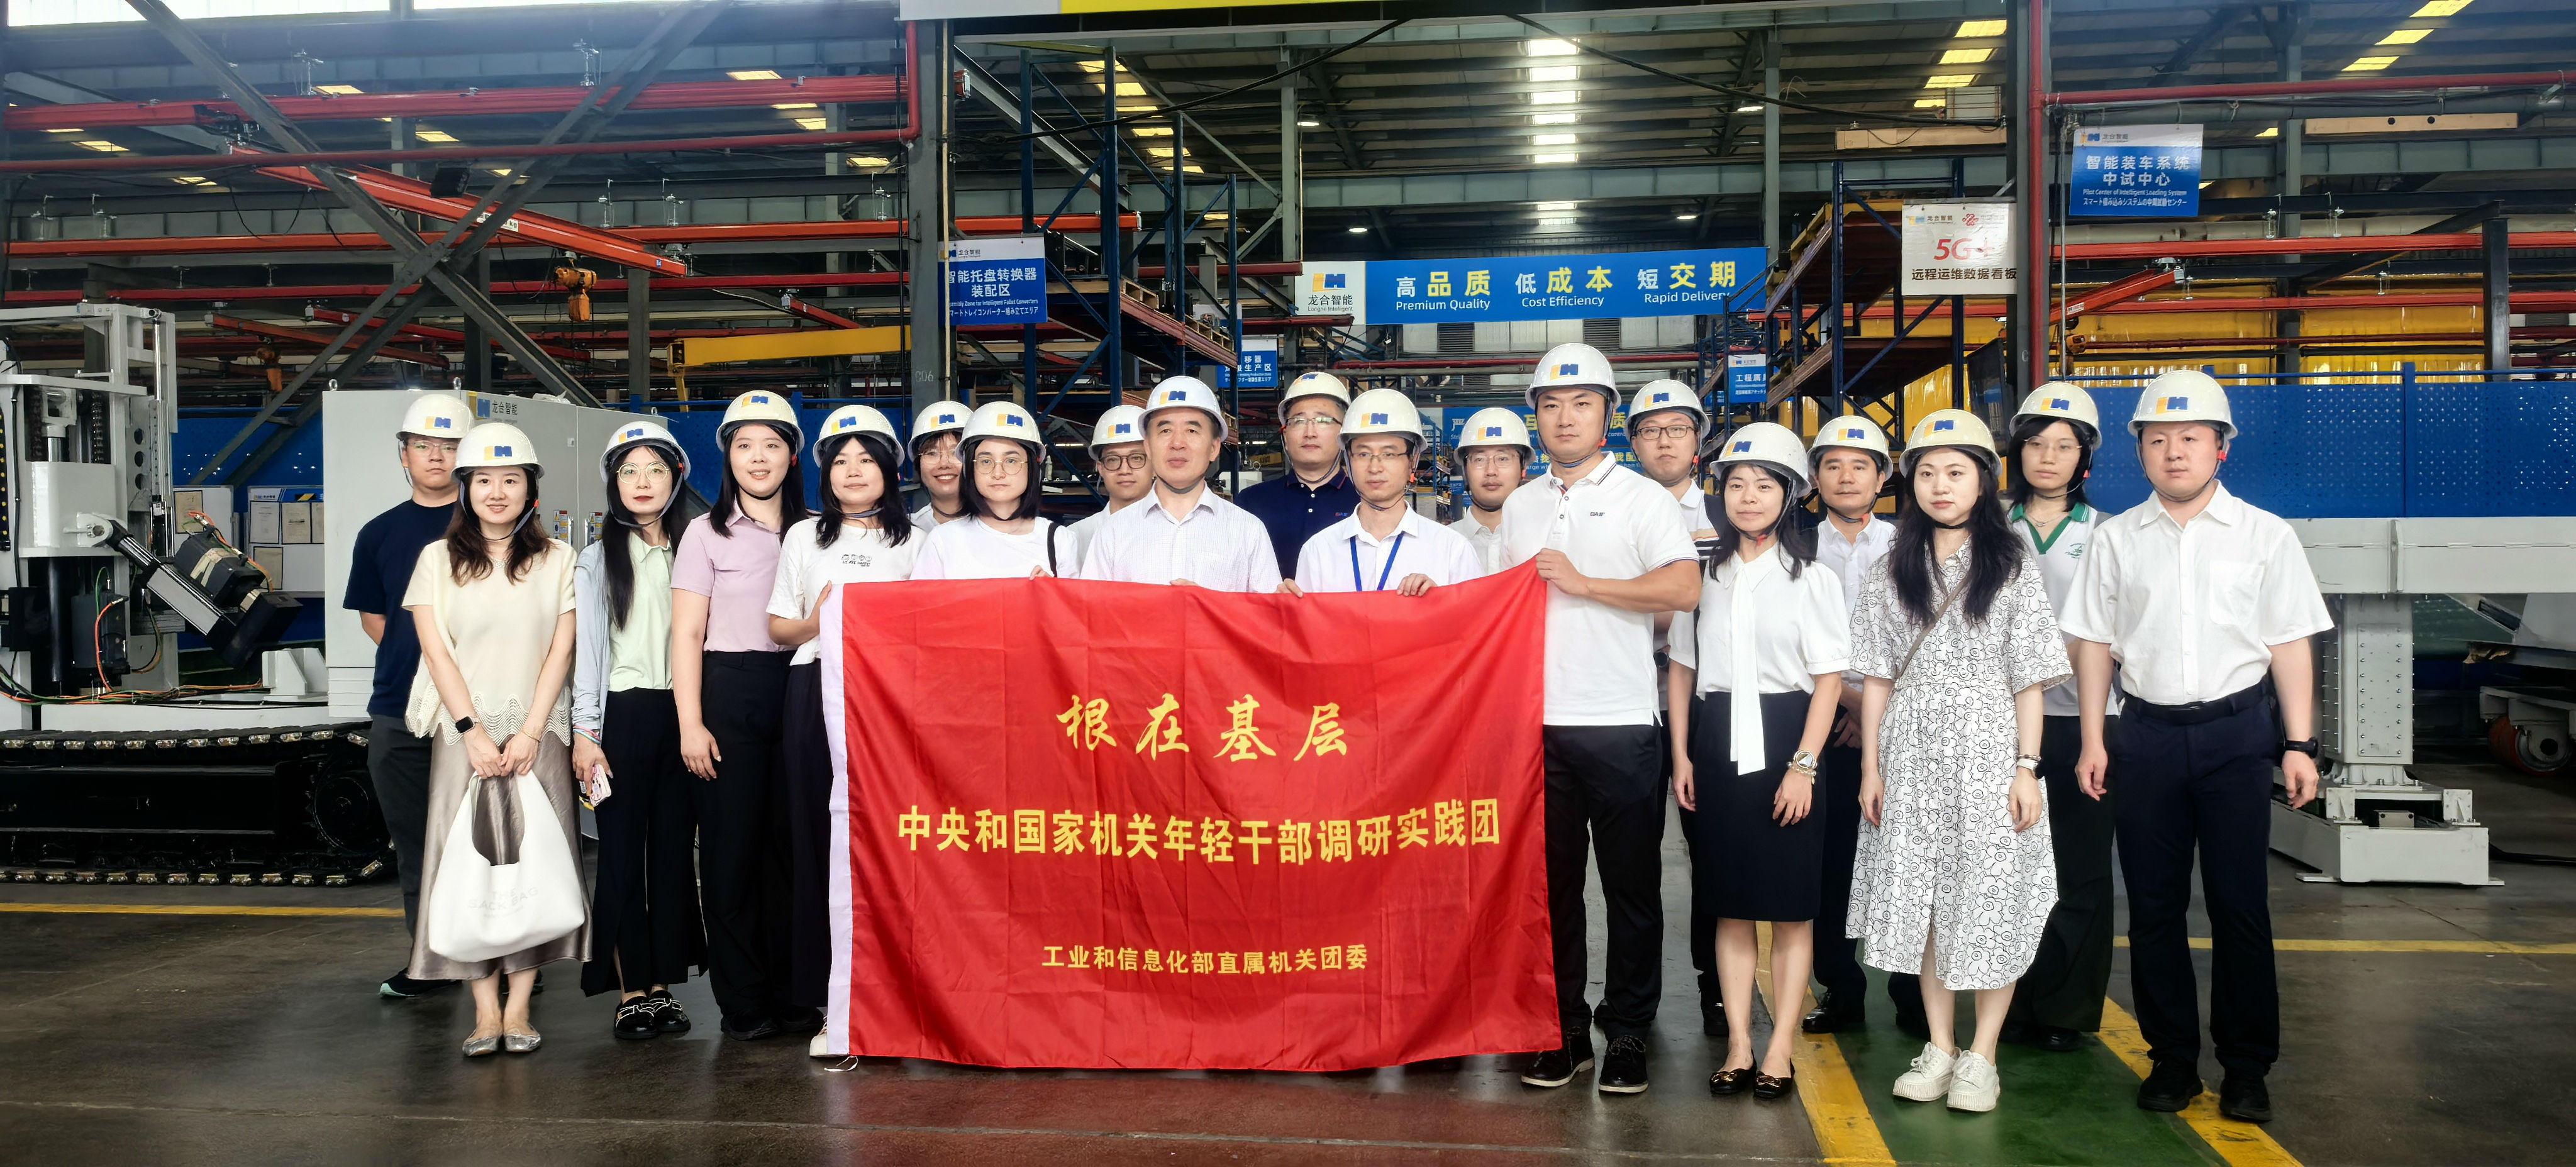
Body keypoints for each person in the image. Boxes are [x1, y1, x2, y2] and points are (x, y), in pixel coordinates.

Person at [2063, 370, 2332, 1124]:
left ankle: (2246, 1067)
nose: (2173, 451)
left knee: (2238, 904)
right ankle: (2172, 1059)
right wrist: (2093, 737)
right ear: (2140, 451)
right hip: (2144, 735)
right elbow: (2092, 644)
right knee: (2152, 907)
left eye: (2189, 438)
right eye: (2157, 439)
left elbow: (2290, 642)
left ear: (2221, 448)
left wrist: (2299, 743)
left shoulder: (2265, 535)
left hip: (2236, 736)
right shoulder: (2116, 539)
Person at [1848, 409, 2067, 1114]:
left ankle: (1983, 1055)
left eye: (1956, 471)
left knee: (1992, 897)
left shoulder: (2011, 565)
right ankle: (1940, 1046)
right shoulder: (1890, 568)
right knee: (1926, 903)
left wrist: (2027, 766)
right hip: (1911, 754)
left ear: (1983, 481)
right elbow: (1877, 678)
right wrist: (1872, 769)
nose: (1940, 485)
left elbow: (2028, 679)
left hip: (1989, 749)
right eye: (1927, 473)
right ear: (1910, 482)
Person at [1500, 342, 1701, 1095]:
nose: (1564, 417)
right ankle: (1561, 1028)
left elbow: (1683, 587)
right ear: (1536, 416)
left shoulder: (1642, 498)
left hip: (1620, 722)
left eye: (1581, 403)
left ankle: (1627, 1031)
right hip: (1536, 726)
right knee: (1550, 891)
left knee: (1630, 889)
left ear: (1608, 414)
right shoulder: (1520, 503)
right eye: (1550, 405)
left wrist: (1587, 584)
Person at [1665, 422, 1848, 1102]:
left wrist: (1804, 766)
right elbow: (1682, 670)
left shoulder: (1813, 579)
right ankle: (1740, 1044)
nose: (1747, 497)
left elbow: (1828, 679)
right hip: (1715, 742)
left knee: (1792, 909)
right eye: (1736, 484)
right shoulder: (1701, 577)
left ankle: (1780, 1049)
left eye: (1764, 485)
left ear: (1790, 495)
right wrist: (1682, 755)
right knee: (1729, 905)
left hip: (1788, 738)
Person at [401, 421, 585, 1056]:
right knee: (466, 869)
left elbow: (562, 648)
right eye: (483, 480)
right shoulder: (436, 560)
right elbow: (437, 652)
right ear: (466, 489)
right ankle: (483, 1013)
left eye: (510, 480)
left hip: (540, 731)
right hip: (464, 736)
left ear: (531, 489)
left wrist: (532, 730)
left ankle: (519, 1008)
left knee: (538, 863)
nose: (497, 492)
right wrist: (471, 732)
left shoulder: (558, 559)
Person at [767, 404, 922, 1057]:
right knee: (816, 841)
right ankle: (831, 1001)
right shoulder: (804, 537)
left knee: (887, 844)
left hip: (886, 701)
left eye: (866, 459)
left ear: (889, 469)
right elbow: (780, 627)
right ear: (825, 472)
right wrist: (822, 620)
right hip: (814, 691)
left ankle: (893, 995)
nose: (853, 471)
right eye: (840, 461)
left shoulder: (917, 542)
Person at [672, 390, 813, 1043]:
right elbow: (686, 633)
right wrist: (691, 722)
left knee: (792, 847)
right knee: (731, 851)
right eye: (745, 445)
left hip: (801, 687)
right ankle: (744, 999)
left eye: (772, 444)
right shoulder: (705, 533)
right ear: (727, 456)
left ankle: (795, 990)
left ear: (794, 455)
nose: (758, 458)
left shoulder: (816, 530)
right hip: (729, 691)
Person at [571, 417, 707, 1042]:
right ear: (614, 482)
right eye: (629, 471)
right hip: (621, 719)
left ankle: (665, 987)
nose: (643, 481)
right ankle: (631, 991)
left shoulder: (696, 548)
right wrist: (586, 732)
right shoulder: (596, 559)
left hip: (683, 717)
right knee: (623, 857)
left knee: (674, 855)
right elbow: (587, 653)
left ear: (676, 477)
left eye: (655, 469)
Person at [1997, 384, 2122, 1054]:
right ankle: (2007, 1000)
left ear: (2085, 459)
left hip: (2084, 721)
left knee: (2079, 867)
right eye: (2036, 444)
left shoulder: (2110, 533)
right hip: (1998, 721)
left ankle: (2065, 1009)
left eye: (2064, 446)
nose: (2048, 457)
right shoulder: (1989, 525)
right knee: (2003, 862)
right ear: (2016, 452)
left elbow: (2122, 627)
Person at [345, 392, 472, 1000]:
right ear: (404, 455)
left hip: (483, 712)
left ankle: (503, 960)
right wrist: (427, 672)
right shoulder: (379, 533)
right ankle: (431, 961)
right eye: (424, 445)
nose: (436, 457)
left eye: (449, 446)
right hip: (400, 709)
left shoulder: (490, 523)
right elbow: (375, 618)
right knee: (418, 846)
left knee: (487, 841)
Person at [1799, 413, 1911, 1037]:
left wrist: (1874, 713)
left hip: (1899, 727)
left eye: (1860, 465)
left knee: (1905, 859)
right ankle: (1840, 988)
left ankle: (1911, 991)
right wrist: (1847, 704)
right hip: (1823, 725)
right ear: (1815, 478)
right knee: (1830, 861)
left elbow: (1927, 639)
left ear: (1882, 476)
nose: (1846, 477)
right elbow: (1790, 639)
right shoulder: (1794, 547)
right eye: (1833, 466)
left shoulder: (1909, 546)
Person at [1624, 379, 1723, 1037]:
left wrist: (1651, 605)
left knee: (1710, 851)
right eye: (1651, 431)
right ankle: (1637, 996)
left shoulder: (1730, 511)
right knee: (1632, 861)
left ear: (1697, 441)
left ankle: (1715, 986)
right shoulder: (1614, 510)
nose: (1665, 441)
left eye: (1678, 429)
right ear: (1632, 442)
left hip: (1706, 708)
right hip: (1630, 705)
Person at [1079, 376, 1286, 593]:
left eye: (1192, 431)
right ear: (1148, 447)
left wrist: (1207, 605)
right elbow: (1091, 609)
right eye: (1165, 431)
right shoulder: (1113, 532)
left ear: (1214, 448)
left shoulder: (1247, 531)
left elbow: (1265, 612)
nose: (1177, 443)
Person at [1290, 388, 1482, 595]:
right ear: (1349, 459)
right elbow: (1306, 617)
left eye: (1389, 454)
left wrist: (1440, 601)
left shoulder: (1452, 550)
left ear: (1413, 460)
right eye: (1363, 454)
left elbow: (1474, 614)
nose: (1375, 467)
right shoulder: (1319, 551)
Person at [913, 401, 1074, 579]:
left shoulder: (1059, 540)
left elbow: (1078, 597)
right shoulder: (942, 541)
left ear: (1033, 469)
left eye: (1011, 461)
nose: (998, 473)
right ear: (970, 470)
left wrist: (1053, 590)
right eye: (986, 461)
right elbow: (923, 597)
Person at [1235, 370, 1357, 576]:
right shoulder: (1251, 502)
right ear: (1285, 435)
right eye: (1299, 421)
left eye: (1323, 420)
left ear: (1344, 433)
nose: (1310, 432)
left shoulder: (1362, 503)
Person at [1446, 407, 1532, 575]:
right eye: (1479, 459)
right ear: (1465, 470)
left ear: (1523, 467)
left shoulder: (1544, 540)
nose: (1491, 471)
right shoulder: (1443, 543)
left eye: (1503, 459)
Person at [1066, 404, 1148, 567]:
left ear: (1154, 464)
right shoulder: (1075, 538)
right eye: (1112, 460)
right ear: (1101, 468)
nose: (1124, 470)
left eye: (1136, 458)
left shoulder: (1176, 533)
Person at [906, 399, 970, 529]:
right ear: (918, 465)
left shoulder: (999, 527)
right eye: (932, 453)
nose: (944, 464)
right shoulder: (908, 531)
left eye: (955, 452)